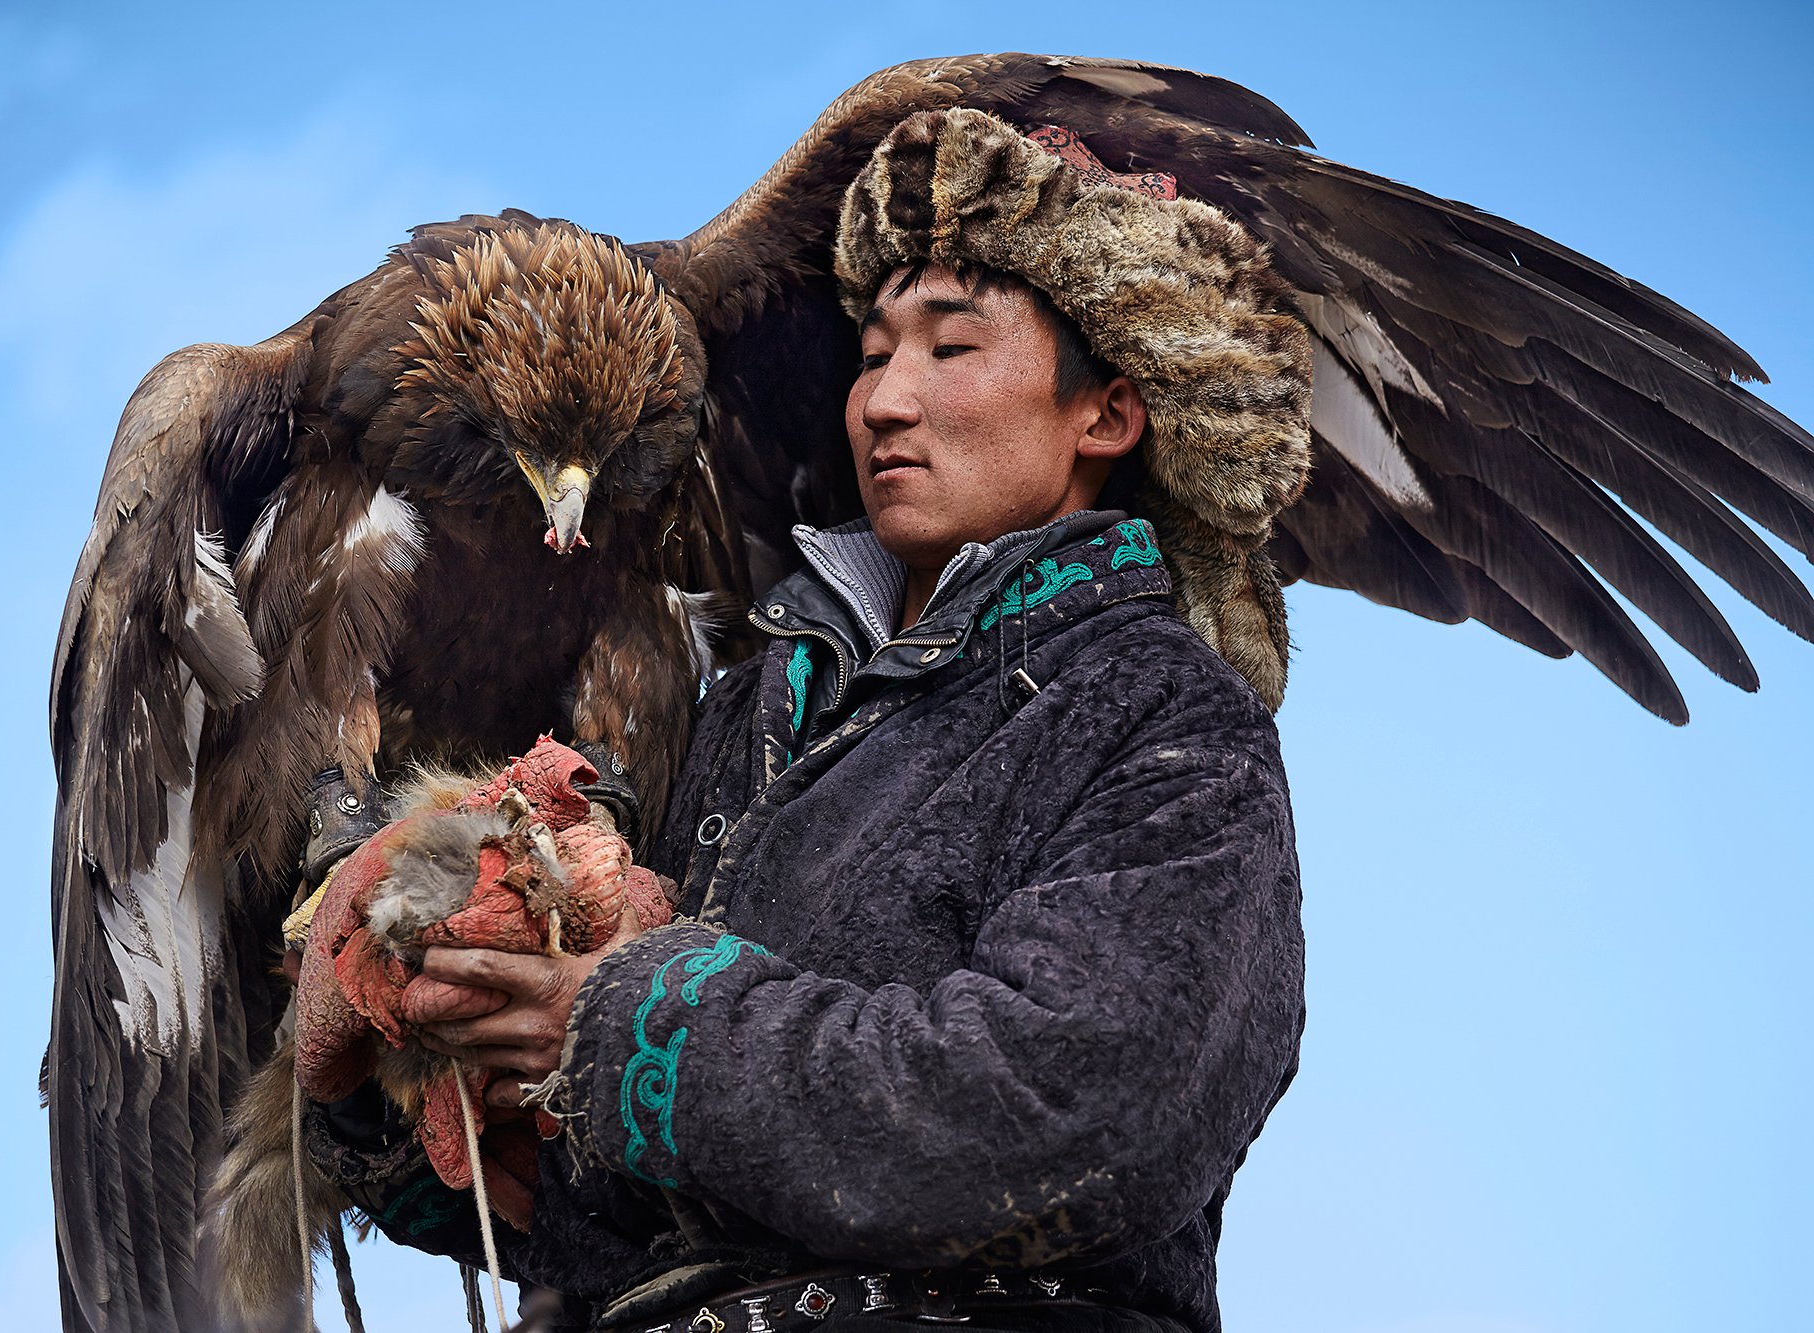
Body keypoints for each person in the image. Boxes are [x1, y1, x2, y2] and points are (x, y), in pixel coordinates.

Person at [312, 108, 1309, 1333]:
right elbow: (584, 1204)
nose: (882, 400)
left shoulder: (1159, 717)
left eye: (949, 349)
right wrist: (407, 1052)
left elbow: (1078, 1109)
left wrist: (635, 1027)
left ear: (1104, 414)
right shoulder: (743, 712)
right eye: (872, 354)